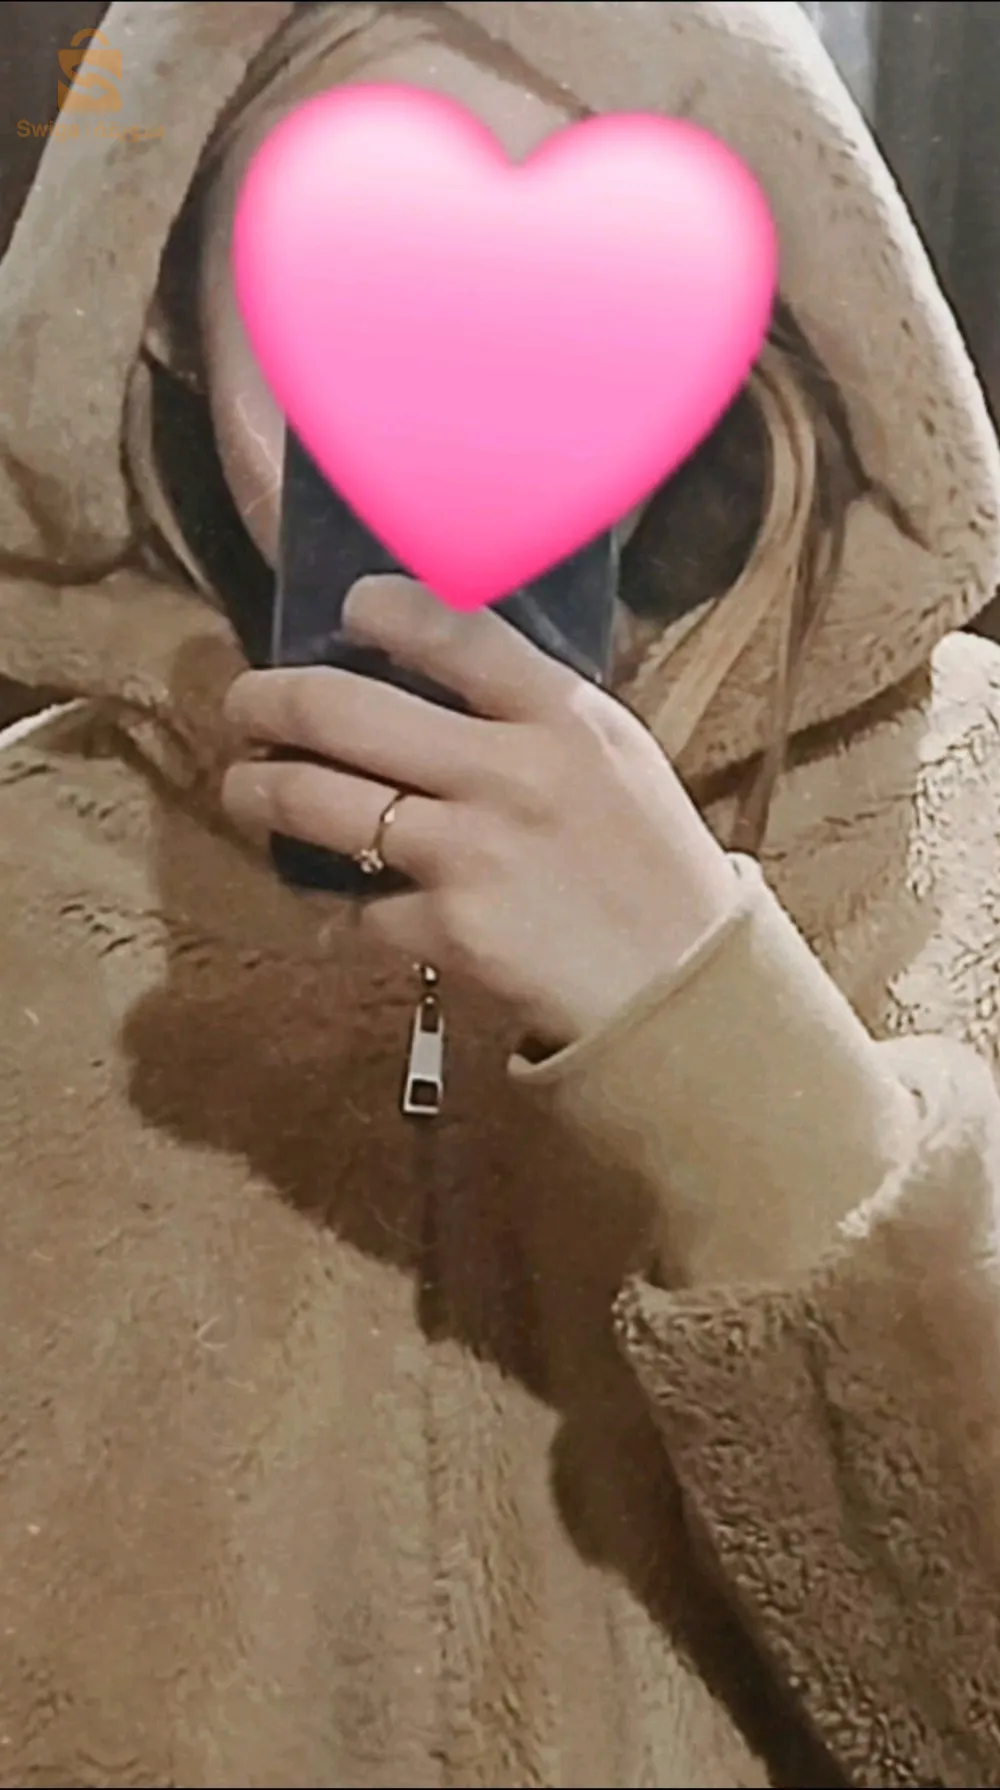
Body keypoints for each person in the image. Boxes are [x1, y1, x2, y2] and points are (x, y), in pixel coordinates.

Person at [1, 0, 999, 1783]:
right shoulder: (23, 877)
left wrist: (721, 1044)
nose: (475, 378)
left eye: (584, 283)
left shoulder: (971, 807)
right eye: (368, 276)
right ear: (165, 298)